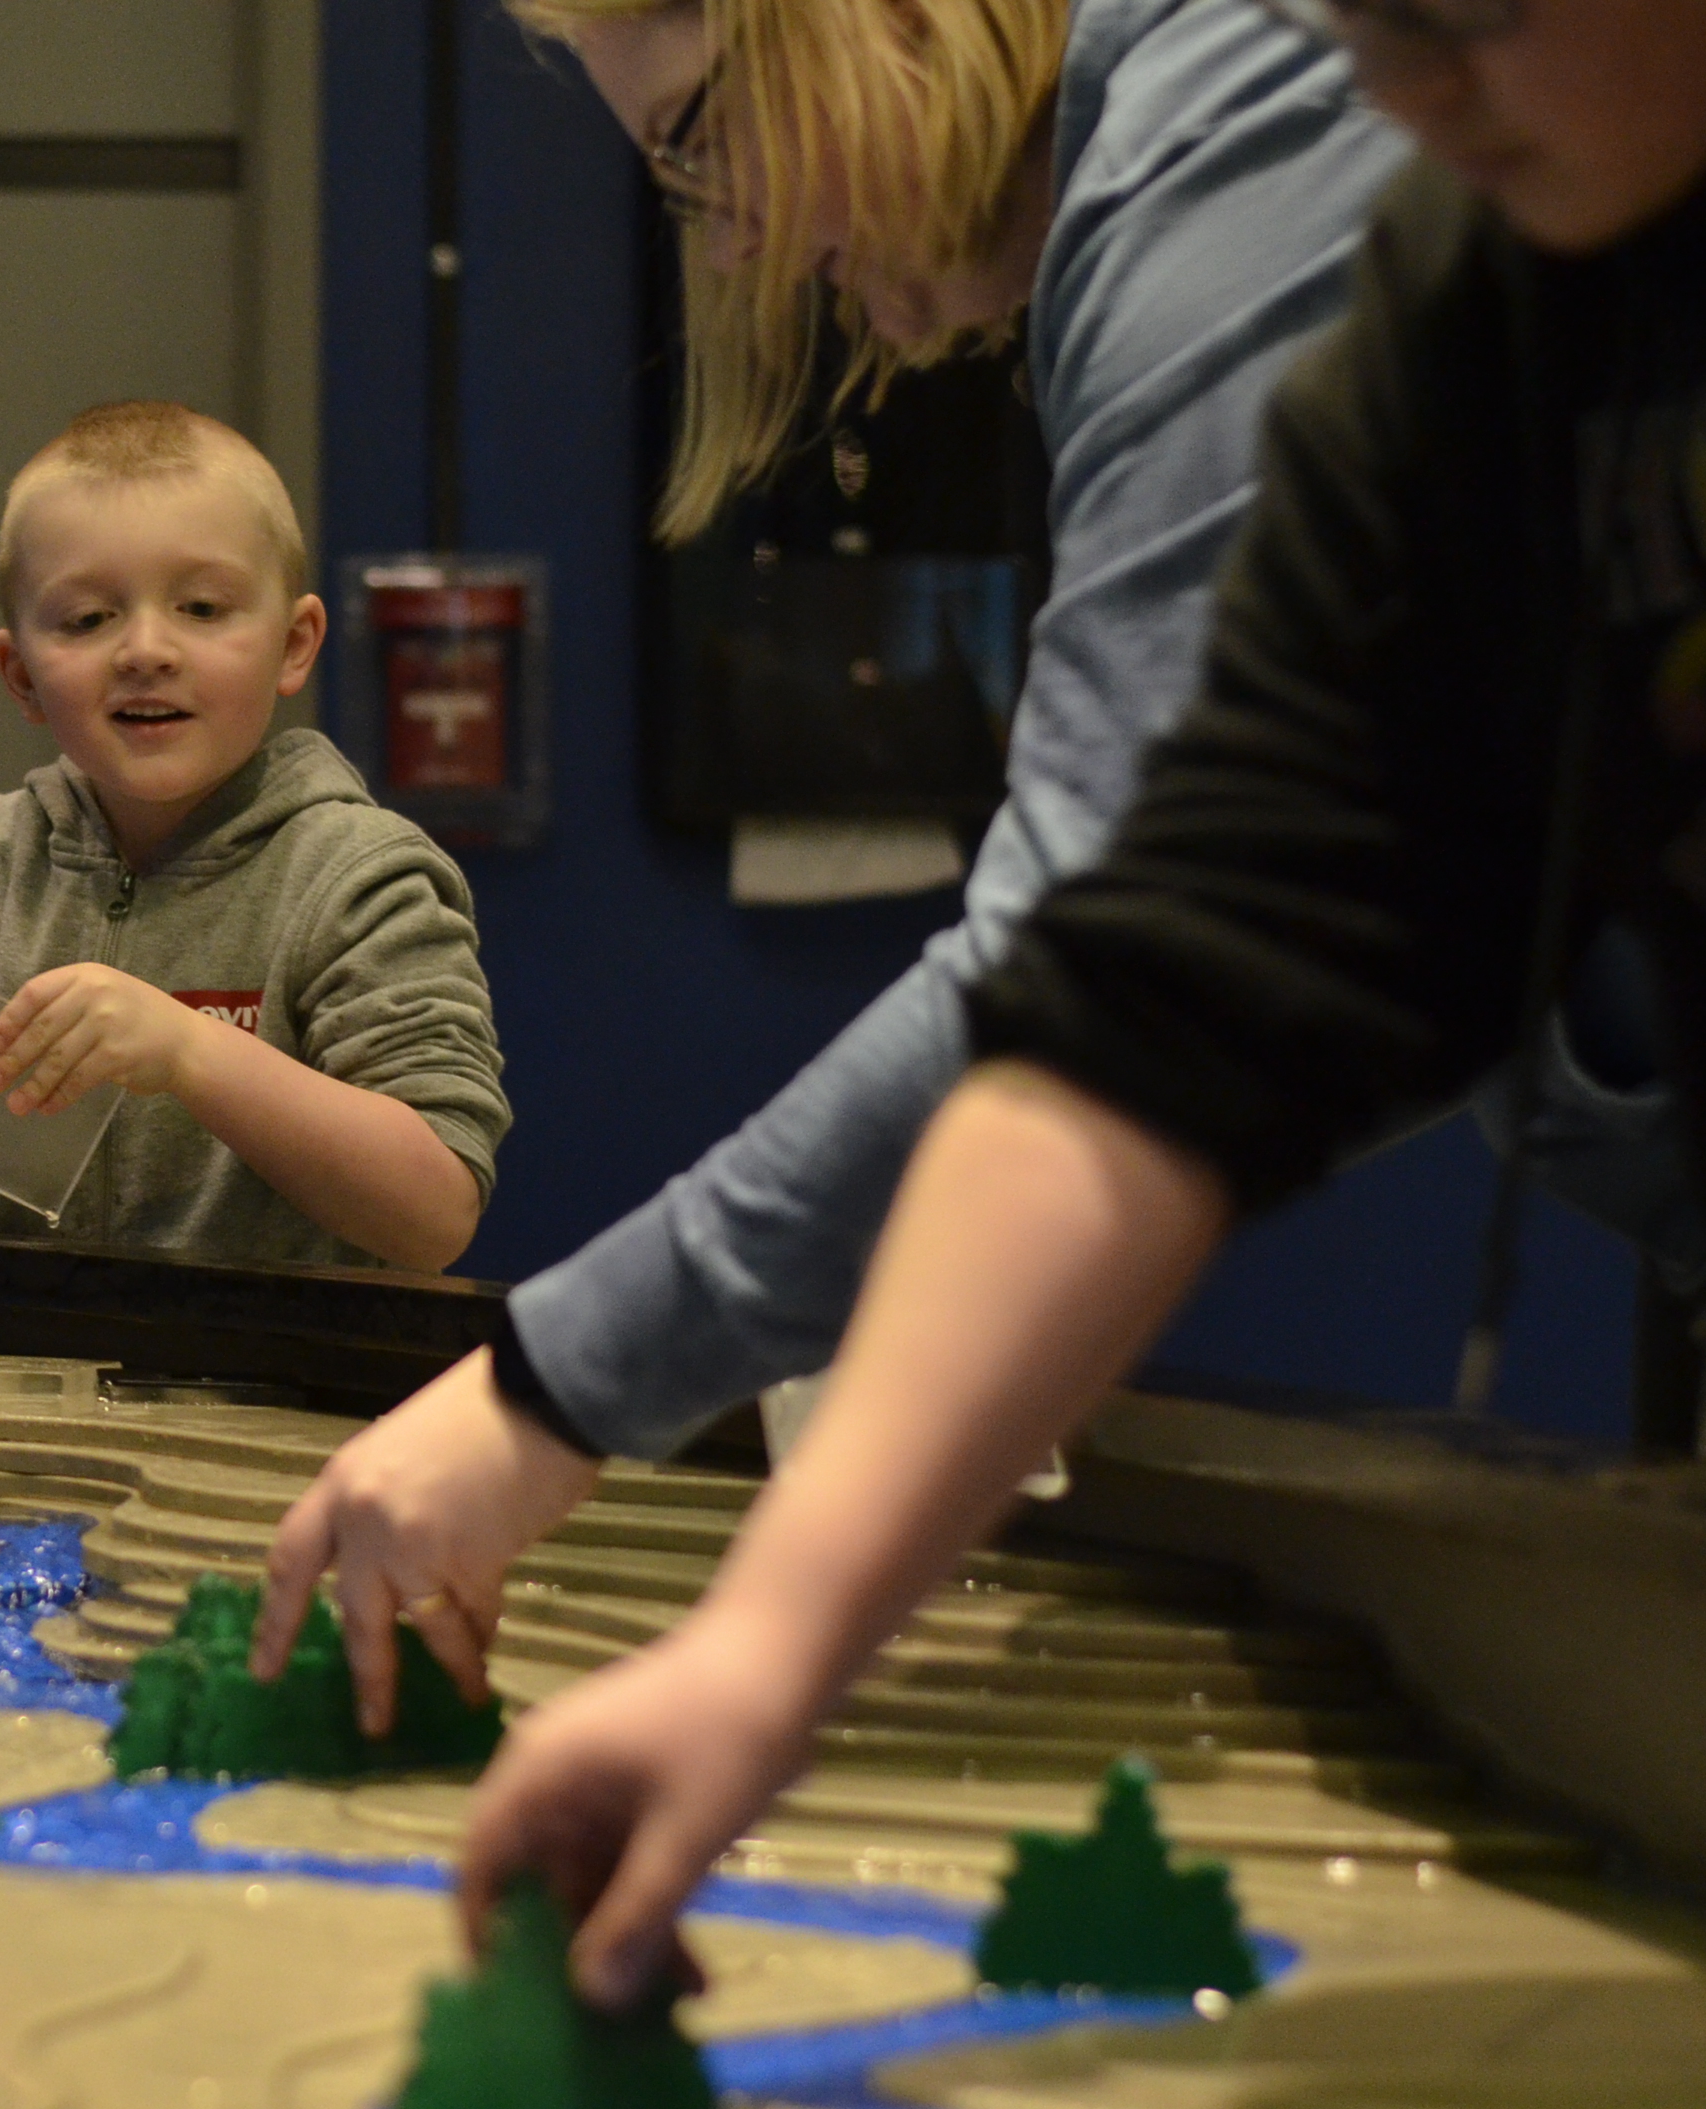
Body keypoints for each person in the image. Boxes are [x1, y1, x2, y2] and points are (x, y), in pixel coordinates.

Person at [448, 0, 1706, 2011]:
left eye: (1471, 16)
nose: (1399, 92)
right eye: (1362, 16)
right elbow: (1171, 983)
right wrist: (770, 1641)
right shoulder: (1468, 288)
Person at [258, 0, 1421, 1722]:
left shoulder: (1219, 154)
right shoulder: (1153, 181)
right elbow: (1277, 949)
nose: (731, 240)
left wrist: (546, 1395)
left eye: (703, 142)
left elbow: (1104, 947)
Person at [0, 402, 509, 1272]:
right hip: (26, 1386)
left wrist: (190, 1052)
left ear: (294, 644)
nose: (146, 650)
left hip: (277, 1397)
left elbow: (436, 1212)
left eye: (202, 607)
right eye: (89, 619)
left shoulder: (357, 878)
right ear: (20, 675)